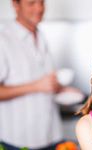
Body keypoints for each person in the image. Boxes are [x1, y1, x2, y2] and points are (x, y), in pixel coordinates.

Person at [0, 0, 82, 149]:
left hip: (52, 135)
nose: (39, 8)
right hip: (18, 141)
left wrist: (59, 89)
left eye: (41, 2)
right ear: (15, 5)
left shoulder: (41, 36)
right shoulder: (3, 40)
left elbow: (45, 83)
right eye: (32, 3)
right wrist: (36, 86)